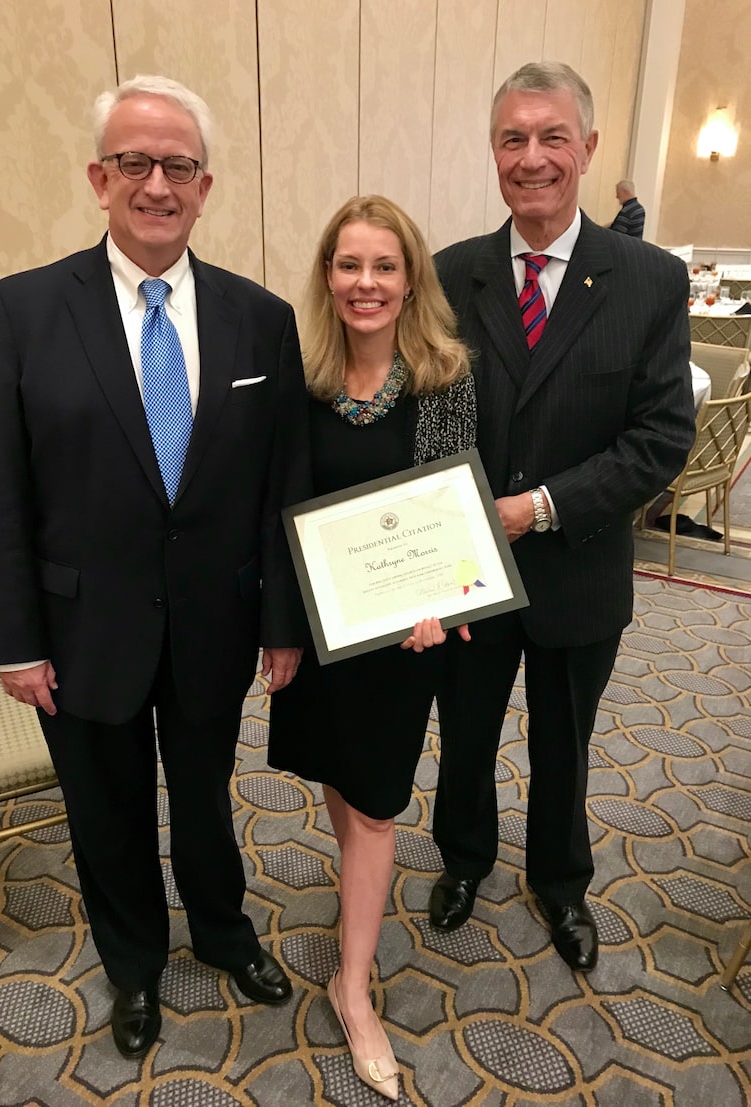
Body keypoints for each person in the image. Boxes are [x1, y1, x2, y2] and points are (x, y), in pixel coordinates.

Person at [0, 75, 311, 1060]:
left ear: (205, 187)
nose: (156, 184)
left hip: (216, 621)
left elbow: (278, 488)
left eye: (178, 167)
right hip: (79, 631)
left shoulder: (261, 320)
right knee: (107, 814)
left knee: (207, 800)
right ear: (98, 177)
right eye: (134, 162)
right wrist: (14, 643)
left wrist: (282, 620)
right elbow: (6, 494)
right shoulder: (26, 308)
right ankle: (132, 966)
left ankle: (221, 931)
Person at [428, 63, 695, 972]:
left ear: (585, 148)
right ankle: (463, 858)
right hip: (467, 569)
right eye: (513, 138)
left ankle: (560, 880)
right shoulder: (449, 273)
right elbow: (425, 418)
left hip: (577, 565)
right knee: (464, 734)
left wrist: (540, 508)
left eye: (551, 138)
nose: (532, 157)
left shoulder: (650, 280)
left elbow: (661, 439)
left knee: (565, 741)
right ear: (493, 151)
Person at [269, 195, 474, 1100]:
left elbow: (453, 515)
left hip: (401, 639)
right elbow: (277, 506)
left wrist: (441, 600)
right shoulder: (302, 374)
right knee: (343, 787)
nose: (365, 283)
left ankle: (353, 988)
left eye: (383, 266)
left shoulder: (444, 377)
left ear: (409, 278)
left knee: (381, 804)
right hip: (321, 638)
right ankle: (356, 909)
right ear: (327, 276)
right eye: (348, 265)